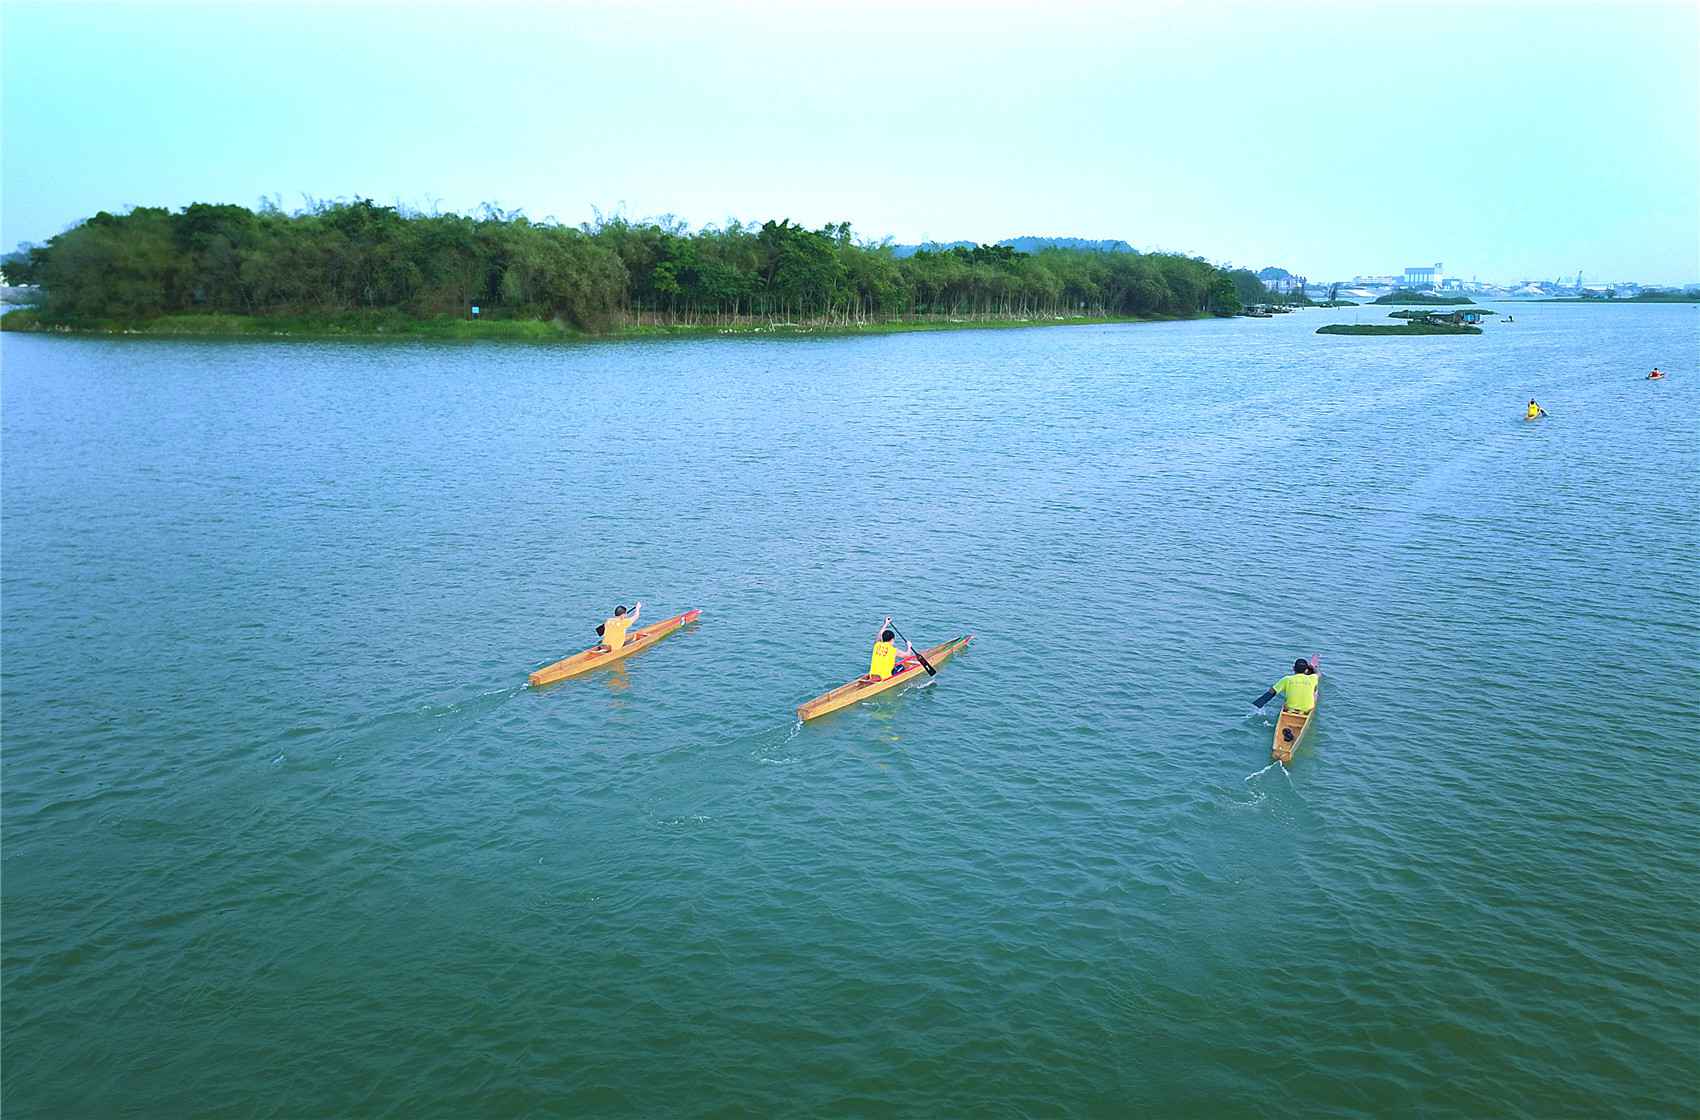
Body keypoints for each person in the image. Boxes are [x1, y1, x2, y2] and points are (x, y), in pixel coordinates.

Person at [868, 616, 916, 681]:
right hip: (885, 677)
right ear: (892, 640)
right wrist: (909, 646)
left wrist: (886, 623)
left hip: (872, 675)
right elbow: (908, 655)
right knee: (902, 667)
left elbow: (879, 634)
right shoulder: (893, 650)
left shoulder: (877, 645)